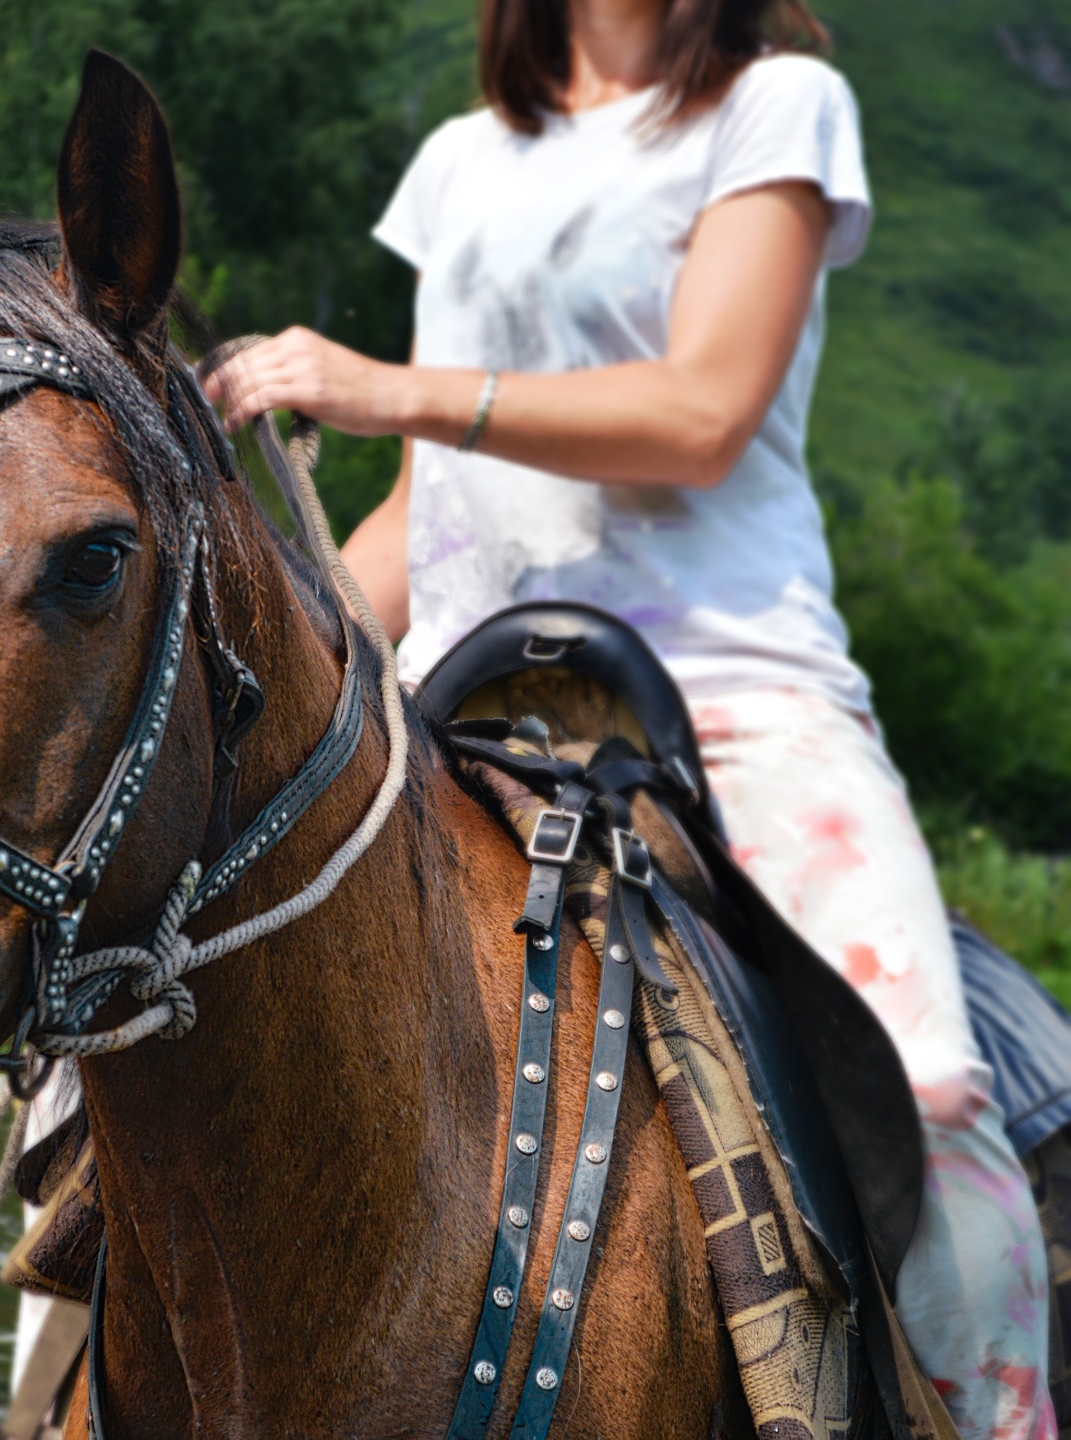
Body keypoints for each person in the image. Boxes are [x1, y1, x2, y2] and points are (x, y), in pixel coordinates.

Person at [203, 2, 1056, 1437]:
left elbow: (706, 409)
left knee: (935, 1096)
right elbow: (424, 509)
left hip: (729, 693)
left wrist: (380, 387)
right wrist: (270, 680)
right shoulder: (465, 159)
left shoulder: (776, 107)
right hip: (456, 702)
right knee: (156, 1051)